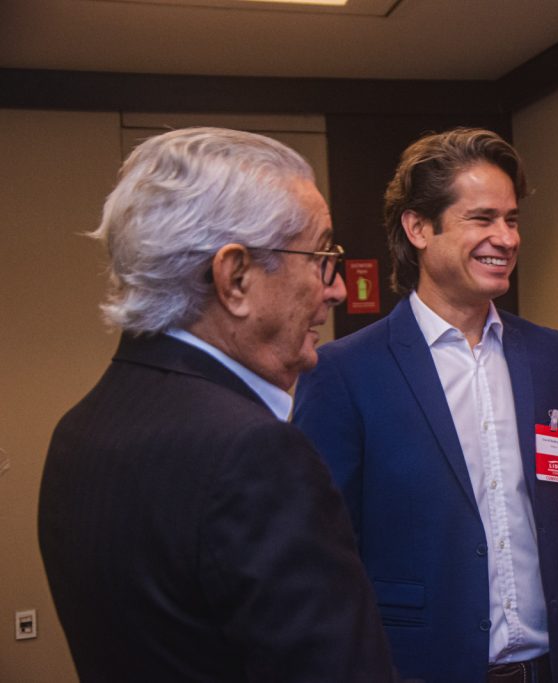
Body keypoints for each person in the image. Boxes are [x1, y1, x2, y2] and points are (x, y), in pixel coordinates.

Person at [38, 127, 397, 682]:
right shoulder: (257, 455)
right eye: (321, 256)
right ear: (235, 278)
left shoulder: (79, 429)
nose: (338, 289)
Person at [293, 128, 558, 683]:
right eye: (482, 219)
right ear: (418, 228)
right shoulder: (345, 372)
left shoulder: (549, 355)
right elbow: (320, 558)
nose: (505, 238)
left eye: (511, 220)